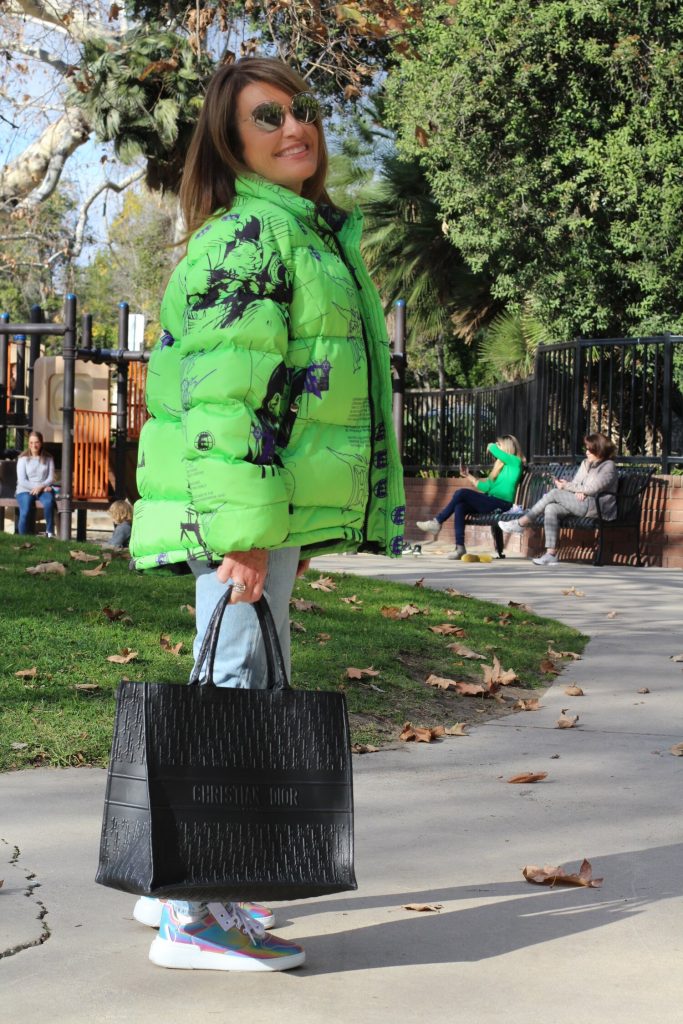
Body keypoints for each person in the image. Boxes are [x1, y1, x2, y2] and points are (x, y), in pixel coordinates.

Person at [129, 57, 405, 972]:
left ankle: (183, 874)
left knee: (235, 676)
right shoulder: (250, 237)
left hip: (266, 509)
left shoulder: (306, 233)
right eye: (266, 116)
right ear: (231, 140)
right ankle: (193, 915)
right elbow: (220, 400)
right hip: (245, 511)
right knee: (236, 684)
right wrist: (245, 533)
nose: (296, 128)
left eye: (301, 111)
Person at [499, 432, 617, 565]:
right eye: (586, 448)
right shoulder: (586, 463)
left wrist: (570, 487)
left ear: (599, 449)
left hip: (597, 507)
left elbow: (593, 488)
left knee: (555, 493)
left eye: (590, 449)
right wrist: (577, 489)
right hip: (582, 503)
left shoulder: (608, 466)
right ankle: (551, 554)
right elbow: (578, 483)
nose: (587, 452)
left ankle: (522, 522)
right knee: (551, 508)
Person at [416, 435, 524, 559]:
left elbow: (493, 449)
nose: (496, 448)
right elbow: (485, 487)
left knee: (461, 493)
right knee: (460, 506)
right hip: (491, 502)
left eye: (499, 445)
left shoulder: (515, 462)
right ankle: (460, 548)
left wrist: (492, 446)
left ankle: (437, 522)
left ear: (506, 447)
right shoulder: (499, 467)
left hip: (502, 504)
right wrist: (467, 475)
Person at [15, 431, 56, 537]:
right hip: (24, 489)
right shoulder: (22, 458)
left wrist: (41, 487)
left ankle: (49, 534)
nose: (34, 445)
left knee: (49, 503)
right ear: (28, 443)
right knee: (26, 509)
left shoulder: (48, 458)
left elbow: (51, 478)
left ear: (41, 443)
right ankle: (22, 538)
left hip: (43, 488)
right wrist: (38, 487)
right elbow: (22, 480)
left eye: (36, 442)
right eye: (31, 442)